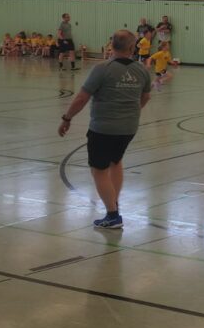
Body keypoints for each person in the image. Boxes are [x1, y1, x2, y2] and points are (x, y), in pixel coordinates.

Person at [57, 29, 151, 229]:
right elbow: (145, 97)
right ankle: (113, 203)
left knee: (99, 170)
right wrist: (131, 113)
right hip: (128, 128)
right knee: (115, 162)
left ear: (111, 45)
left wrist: (67, 118)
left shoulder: (102, 69)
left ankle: (112, 214)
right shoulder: (141, 70)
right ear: (132, 47)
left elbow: (82, 98)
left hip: (103, 128)